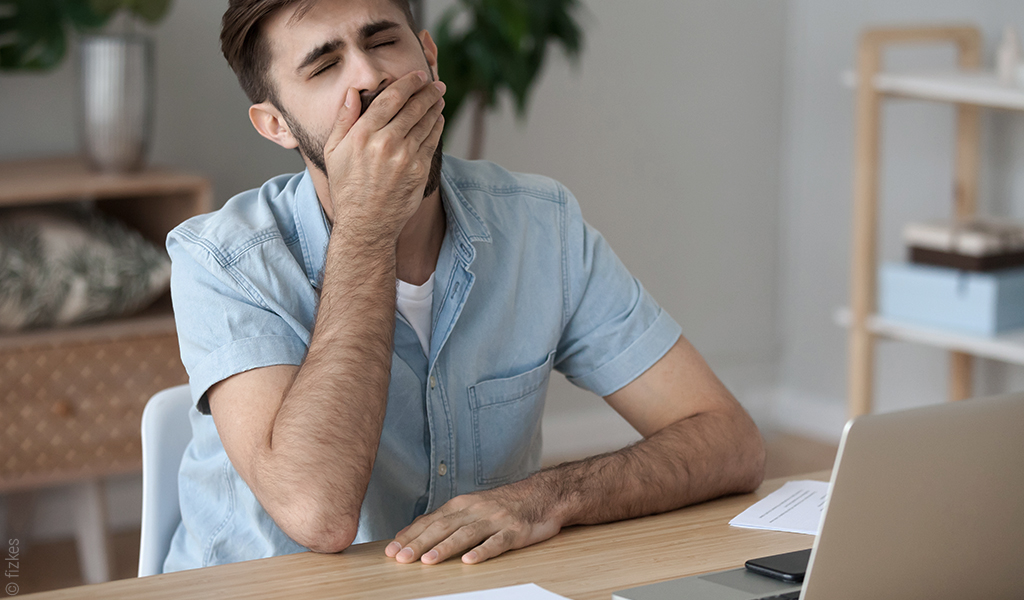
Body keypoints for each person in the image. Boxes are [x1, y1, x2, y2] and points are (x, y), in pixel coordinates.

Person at [163, 0, 766, 573]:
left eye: (384, 41)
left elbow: (729, 440)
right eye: (324, 65)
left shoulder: (541, 224)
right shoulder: (221, 259)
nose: (371, 77)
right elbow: (317, 516)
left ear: (428, 57)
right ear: (276, 125)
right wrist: (369, 228)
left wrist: (543, 498)